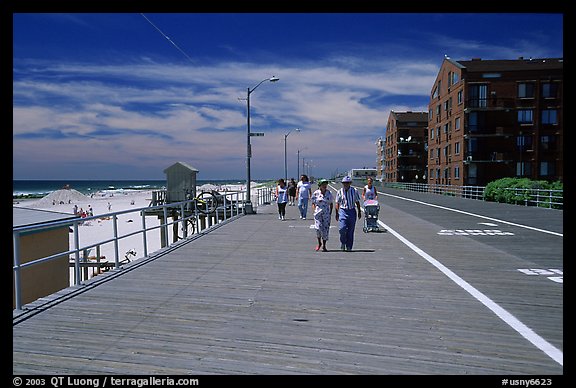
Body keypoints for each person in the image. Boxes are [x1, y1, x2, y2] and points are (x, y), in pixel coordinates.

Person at [335, 176, 361, 251]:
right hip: (343, 211)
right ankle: (343, 242)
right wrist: (336, 213)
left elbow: (357, 202)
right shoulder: (339, 191)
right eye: (344, 183)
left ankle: (349, 246)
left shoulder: (354, 191)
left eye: (347, 183)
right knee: (342, 229)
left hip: (352, 211)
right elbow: (337, 202)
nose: (345, 185)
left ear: (350, 183)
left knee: (350, 230)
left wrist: (359, 211)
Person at [311, 179, 333, 252]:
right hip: (318, 213)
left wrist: (330, 212)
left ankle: (324, 245)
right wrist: (314, 210)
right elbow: (313, 202)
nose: (324, 186)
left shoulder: (329, 193)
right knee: (318, 228)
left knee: (325, 229)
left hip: (326, 213)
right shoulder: (316, 193)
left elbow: (331, 203)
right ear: (320, 185)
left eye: (325, 184)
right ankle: (319, 242)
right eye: (323, 184)